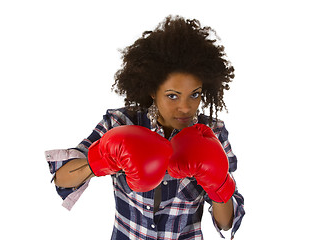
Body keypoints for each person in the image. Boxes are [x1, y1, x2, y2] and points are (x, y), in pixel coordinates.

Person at [45, 15, 245, 239]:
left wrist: (219, 183)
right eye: (172, 96)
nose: (185, 107)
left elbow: (226, 223)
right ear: (152, 91)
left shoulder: (213, 132)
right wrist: (102, 160)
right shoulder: (120, 122)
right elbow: (61, 179)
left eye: (195, 94)